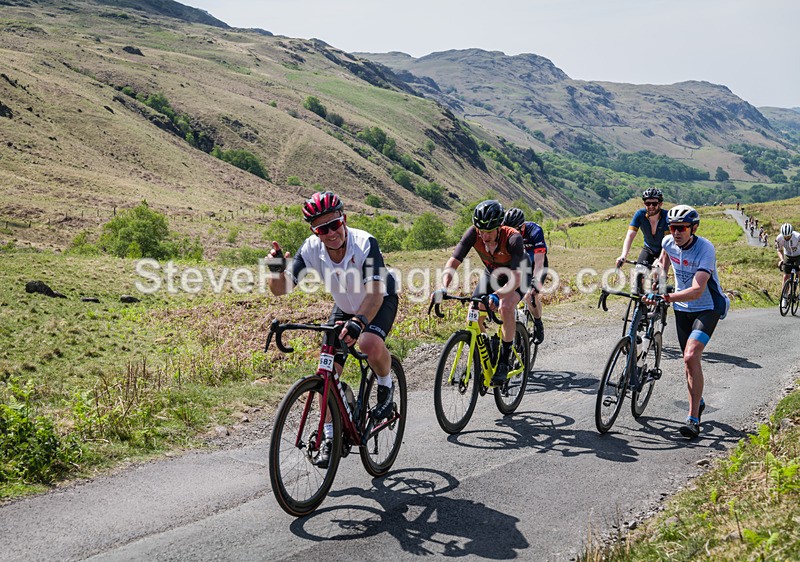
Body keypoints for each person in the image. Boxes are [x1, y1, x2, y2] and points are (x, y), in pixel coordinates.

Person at [267, 191, 398, 467]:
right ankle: (329, 436)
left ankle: (386, 385)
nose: (330, 233)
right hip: (345, 306)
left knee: (368, 343)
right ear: (314, 232)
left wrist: (359, 322)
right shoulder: (311, 249)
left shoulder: (364, 244)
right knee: (326, 369)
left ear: (344, 219)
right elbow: (281, 289)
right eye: (321, 229)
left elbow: (375, 294)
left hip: (378, 300)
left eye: (334, 224)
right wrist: (276, 270)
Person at [646, 205, 730, 439]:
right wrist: (655, 282)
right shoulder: (667, 243)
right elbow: (662, 265)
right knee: (688, 361)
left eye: (682, 228)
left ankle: (693, 420)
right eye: (673, 227)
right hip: (682, 309)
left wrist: (666, 297)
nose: (676, 232)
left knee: (691, 355)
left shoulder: (705, 249)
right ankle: (698, 401)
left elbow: (697, 290)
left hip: (708, 307)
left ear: (694, 228)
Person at [433, 200, 526, 386]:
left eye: (489, 231)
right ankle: (487, 351)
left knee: (505, 307)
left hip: (517, 277)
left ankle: (504, 360)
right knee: (473, 311)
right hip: (493, 275)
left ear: (499, 227)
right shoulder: (473, 234)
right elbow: (453, 262)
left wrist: (497, 296)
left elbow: (516, 279)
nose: (484, 236)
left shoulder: (513, 238)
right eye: (481, 230)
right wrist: (443, 287)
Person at [503, 207, 547, 344]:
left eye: (515, 229)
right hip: (519, 265)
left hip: (536, 264)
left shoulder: (535, 231)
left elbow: (539, 262)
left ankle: (538, 323)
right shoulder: (505, 233)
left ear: (522, 226)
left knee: (529, 295)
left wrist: (535, 281)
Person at [616, 188, 669, 292]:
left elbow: (667, 242)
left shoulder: (666, 216)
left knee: (659, 277)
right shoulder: (640, 214)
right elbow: (630, 236)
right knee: (638, 275)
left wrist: (660, 259)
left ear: (660, 204)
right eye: (648, 203)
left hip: (665, 250)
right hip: (649, 248)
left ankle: (659, 295)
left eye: (654, 203)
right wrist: (623, 255)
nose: (651, 206)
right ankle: (639, 300)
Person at [776, 223, 800, 301]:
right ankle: (784, 297)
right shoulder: (779, 238)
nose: (787, 238)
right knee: (786, 276)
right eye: (785, 236)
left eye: (789, 236)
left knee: (799, 273)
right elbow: (779, 250)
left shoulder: (798, 237)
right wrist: (782, 260)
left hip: (798, 255)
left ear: (792, 234)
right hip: (788, 256)